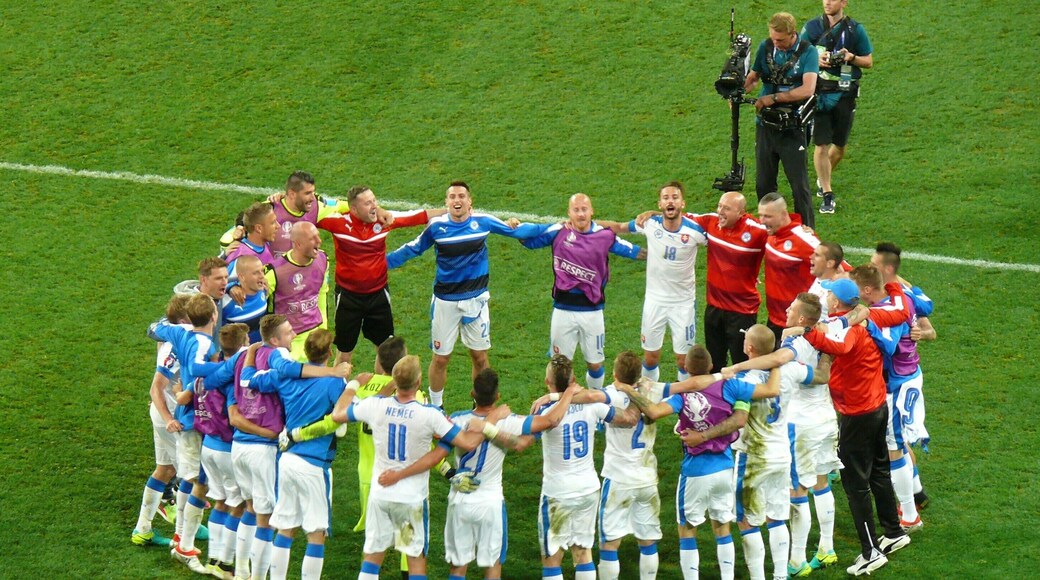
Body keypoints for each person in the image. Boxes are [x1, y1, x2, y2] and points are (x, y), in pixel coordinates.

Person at [375, 368, 582, 580]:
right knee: (492, 569)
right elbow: (551, 420)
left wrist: (446, 472)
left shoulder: (457, 420)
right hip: (490, 503)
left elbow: (435, 449)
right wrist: (566, 394)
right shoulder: (509, 421)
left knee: (458, 569)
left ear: (472, 394)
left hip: (460, 501)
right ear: (498, 396)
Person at [621, 346, 781, 580]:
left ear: (686, 368)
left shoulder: (682, 396)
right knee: (722, 528)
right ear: (711, 366)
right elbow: (770, 389)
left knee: (687, 530)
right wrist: (776, 361)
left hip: (695, 471)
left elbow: (653, 412)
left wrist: (628, 389)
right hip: (725, 467)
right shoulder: (730, 385)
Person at [786, 278, 911, 576]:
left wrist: (807, 332)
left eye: (830, 294)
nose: (826, 297)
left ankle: (870, 552)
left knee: (855, 485)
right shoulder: (858, 318)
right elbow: (893, 312)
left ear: (836, 301)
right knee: (878, 470)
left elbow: (839, 346)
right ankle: (893, 532)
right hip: (877, 405)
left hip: (858, 413)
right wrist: (893, 289)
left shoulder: (849, 329)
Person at [386, 181, 545, 408]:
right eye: (452, 197)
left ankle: (481, 404)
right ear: (446, 202)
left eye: (461, 196)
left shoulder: (484, 222)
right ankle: (437, 407)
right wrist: (379, 264)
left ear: (470, 202)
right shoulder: (437, 227)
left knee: (480, 357)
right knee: (441, 358)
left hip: (476, 301)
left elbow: (517, 231)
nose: (457, 200)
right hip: (445, 302)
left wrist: (556, 229)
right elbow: (412, 249)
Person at [333, 354, 490, 580]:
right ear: (418, 382)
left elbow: (338, 414)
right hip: (410, 500)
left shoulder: (375, 405)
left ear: (395, 381)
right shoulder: (429, 414)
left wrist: (353, 385)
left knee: (372, 559)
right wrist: (491, 422)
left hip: (381, 496)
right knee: (415, 560)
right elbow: (468, 443)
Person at [722, 294, 841, 575]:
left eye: (792, 308)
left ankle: (782, 566)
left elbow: (731, 416)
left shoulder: (745, 379)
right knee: (789, 507)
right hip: (803, 436)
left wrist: (733, 369)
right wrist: (828, 356)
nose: (786, 309)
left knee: (753, 518)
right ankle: (804, 559)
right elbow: (822, 376)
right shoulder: (801, 359)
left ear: (748, 348)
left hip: (768, 448)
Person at [233, 314, 349, 580]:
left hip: (286, 461)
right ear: (330, 353)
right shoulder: (334, 383)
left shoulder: (283, 377)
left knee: (286, 529)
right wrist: (353, 385)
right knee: (316, 533)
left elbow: (247, 380)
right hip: (314, 464)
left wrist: (251, 353)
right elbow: (345, 417)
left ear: (305, 351)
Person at [520, 193, 644, 389]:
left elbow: (633, 251)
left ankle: (595, 398)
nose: (580, 214)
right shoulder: (559, 231)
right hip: (563, 310)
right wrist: (515, 227)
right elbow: (529, 241)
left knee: (595, 363)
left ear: (591, 211)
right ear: (569, 213)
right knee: (559, 365)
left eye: (584, 209)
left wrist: (664, 252)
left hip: (592, 311)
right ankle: (562, 403)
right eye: (576, 210)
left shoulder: (604, 236)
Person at [533, 354, 638, 580]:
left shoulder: (545, 412)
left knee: (552, 560)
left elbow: (523, 440)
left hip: (557, 493)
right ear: (574, 381)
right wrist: (635, 393)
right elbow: (629, 419)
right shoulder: (594, 406)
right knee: (583, 553)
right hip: (588, 490)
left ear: (548, 382)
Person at [318, 185, 445, 366]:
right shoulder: (337, 223)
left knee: (386, 352)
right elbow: (306, 212)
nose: (374, 206)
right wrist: (280, 199)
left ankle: (383, 385)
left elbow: (418, 216)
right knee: (344, 353)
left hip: (378, 297)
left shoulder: (384, 221)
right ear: (353, 209)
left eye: (374, 201)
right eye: (367, 203)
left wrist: (451, 211)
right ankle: (338, 385)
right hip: (348, 299)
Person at [150, 293, 225, 574]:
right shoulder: (204, 343)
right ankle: (184, 546)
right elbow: (195, 369)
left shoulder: (181, 334)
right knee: (198, 483)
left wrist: (175, 326)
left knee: (192, 480)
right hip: (196, 419)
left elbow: (154, 328)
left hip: (189, 418)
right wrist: (225, 368)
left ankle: (181, 539)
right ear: (214, 316)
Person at [605, 182, 707, 382]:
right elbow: (619, 227)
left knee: (684, 361)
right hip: (655, 301)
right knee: (651, 357)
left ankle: (682, 399)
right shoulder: (650, 223)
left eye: (675, 197)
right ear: (660, 204)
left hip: (683, 303)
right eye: (666, 198)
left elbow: (721, 246)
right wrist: (588, 224)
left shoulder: (696, 231)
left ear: (683, 203)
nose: (670, 201)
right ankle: (649, 397)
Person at [848, 264, 924, 531]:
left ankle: (910, 516)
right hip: (908, 375)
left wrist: (869, 325)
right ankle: (916, 494)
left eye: (856, 290)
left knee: (894, 448)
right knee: (897, 443)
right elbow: (926, 305)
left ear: (868, 290)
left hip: (896, 384)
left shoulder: (884, 313)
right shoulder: (901, 298)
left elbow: (889, 346)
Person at [744, 12, 820, 227]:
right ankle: (769, 230)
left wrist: (774, 98)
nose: (775, 43)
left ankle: (807, 234)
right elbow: (754, 77)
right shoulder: (766, 47)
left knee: (799, 187)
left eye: (780, 40)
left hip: (792, 128)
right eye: (773, 38)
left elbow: (808, 89)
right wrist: (740, 91)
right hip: (766, 126)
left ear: (792, 33)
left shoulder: (808, 52)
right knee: (763, 184)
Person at [801, 0, 874, 213]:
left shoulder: (855, 30)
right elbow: (798, 54)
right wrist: (815, 58)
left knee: (840, 146)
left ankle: (823, 177)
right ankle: (827, 193)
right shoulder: (812, 27)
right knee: (821, 144)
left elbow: (868, 61)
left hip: (845, 92)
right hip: (820, 92)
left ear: (844, 3)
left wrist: (851, 57)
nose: (827, 2)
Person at [132, 294, 192, 548]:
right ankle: (183, 537)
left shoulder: (180, 339)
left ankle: (142, 529)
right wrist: (169, 419)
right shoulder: (174, 348)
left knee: (166, 470)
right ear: (183, 320)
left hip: (167, 413)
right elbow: (155, 387)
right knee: (190, 477)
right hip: (171, 417)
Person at [685, 192, 769, 372]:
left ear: (741, 213)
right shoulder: (711, 221)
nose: (720, 212)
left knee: (743, 363)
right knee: (714, 364)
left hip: (742, 311)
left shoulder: (757, 231)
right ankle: (718, 391)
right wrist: (652, 215)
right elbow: (679, 218)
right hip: (714, 308)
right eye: (720, 206)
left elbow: (782, 233)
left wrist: (803, 228)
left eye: (727, 208)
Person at [195, 323, 251, 579]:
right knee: (238, 505)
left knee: (220, 502)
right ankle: (225, 564)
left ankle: (212, 559)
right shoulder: (231, 377)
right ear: (243, 344)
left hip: (207, 445)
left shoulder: (208, 370)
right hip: (227, 449)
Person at [757, 193, 820, 345]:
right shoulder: (770, 232)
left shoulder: (805, 240)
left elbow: (840, 268)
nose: (762, 221)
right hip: (774, 320)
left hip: (798, 325)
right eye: (760, 215)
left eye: (768, 216)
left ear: (783, 214)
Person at [265, 221, 330, 361]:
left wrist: (323, 328)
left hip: (316, 336)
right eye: (312, 238)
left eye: (318, 236)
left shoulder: (323, 259)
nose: (319, 241)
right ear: (298, 244)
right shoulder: (275, 271)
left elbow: (322, 293)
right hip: (290, 342)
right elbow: (258, 305)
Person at [220, 255, 268, 342]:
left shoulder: (263, 290)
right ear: (242, 277)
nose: (262, 276)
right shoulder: (226, 302)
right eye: (255, 273)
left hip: (261, 348)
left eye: (262, 271)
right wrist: (229, 286)